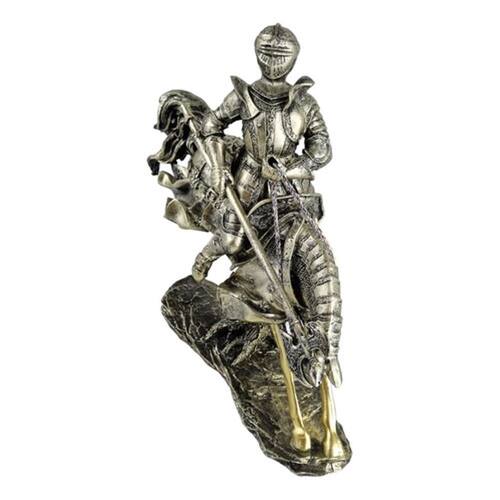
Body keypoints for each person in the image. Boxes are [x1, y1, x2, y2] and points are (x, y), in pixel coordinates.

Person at [192, 24, 333, 282]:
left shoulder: (304, 103)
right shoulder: (243, 96)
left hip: (290, 183)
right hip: (248, 178)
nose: (274, 62)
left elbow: (322, 148)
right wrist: (218, 167)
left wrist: (288, 170)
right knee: (232, 241)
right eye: (268, 54)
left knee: (300, 244)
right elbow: (211, 124)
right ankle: (204, 257)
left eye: (281, 55)